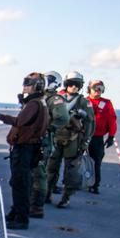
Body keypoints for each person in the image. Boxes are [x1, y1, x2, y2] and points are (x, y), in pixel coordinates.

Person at [0, 73, 49, 230]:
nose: (24, 86)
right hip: (31, 148)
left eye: (28, 83)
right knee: (20, 182)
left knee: (20, 183)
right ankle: (15, 213)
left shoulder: (34, 104)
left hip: (25, 148)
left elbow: (20, 121)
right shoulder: (40, 102)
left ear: (38, 86)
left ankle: (21, 219)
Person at [46, 70, 95, 208]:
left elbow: (90, 122)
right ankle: (47, 193)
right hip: (55, 137)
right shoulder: (57, 99)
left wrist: (85, 141)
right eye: (72, 84)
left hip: (73, 139)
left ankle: (66, 197)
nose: (74, 87)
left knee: (71, 170)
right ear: (66, 84)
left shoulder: (84, 102)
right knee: (50, 168)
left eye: (77, 85)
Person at [29, 71, 69, 218]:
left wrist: (47, 128)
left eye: (49, 79)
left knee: (39, 175)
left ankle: (37, 207)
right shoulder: (40, 97)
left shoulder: (55, 99)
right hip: (33, 140)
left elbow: (63, 118)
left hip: (43, 141)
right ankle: (30, 203)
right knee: (31, 174)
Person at [86, 79, 117, 194]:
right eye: (96, 88)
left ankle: (95, 184)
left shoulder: (106, 103)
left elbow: (112, 120)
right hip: (82, 137)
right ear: (89, 89)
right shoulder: (83, 101)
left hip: (97, 138)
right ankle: (76, 182)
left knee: (96, 162)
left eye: (101, 89)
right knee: (77, 160)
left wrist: (111, 136)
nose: (98, 91)